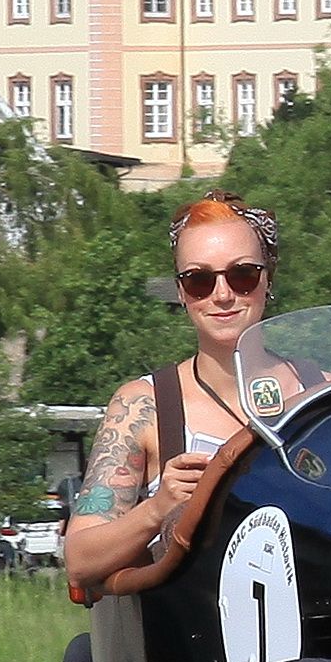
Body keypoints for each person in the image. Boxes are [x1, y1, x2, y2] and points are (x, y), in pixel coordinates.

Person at [67, 196, 286, 594]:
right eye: (199, 280)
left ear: (268, 279)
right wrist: (157, 508)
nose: (222, 295)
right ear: (181, 292)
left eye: (242, 275)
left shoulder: (320, 386)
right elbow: (80, 560)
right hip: (190, 637)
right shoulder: (143, 405)